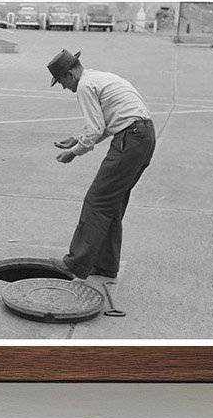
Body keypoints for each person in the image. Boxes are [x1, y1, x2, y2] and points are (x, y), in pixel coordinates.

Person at [46, 49, 155, 280]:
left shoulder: (84, 86)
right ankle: (106, 265)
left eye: (62, 83)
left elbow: (96, 129)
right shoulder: (98, 77)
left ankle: (75, 263)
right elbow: (108, 123)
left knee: (97, 201)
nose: (65, 88)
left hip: (131, 139)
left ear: (68, 75)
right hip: (144, 136)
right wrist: (77, 138)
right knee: (112, 203)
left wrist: (74, 152)